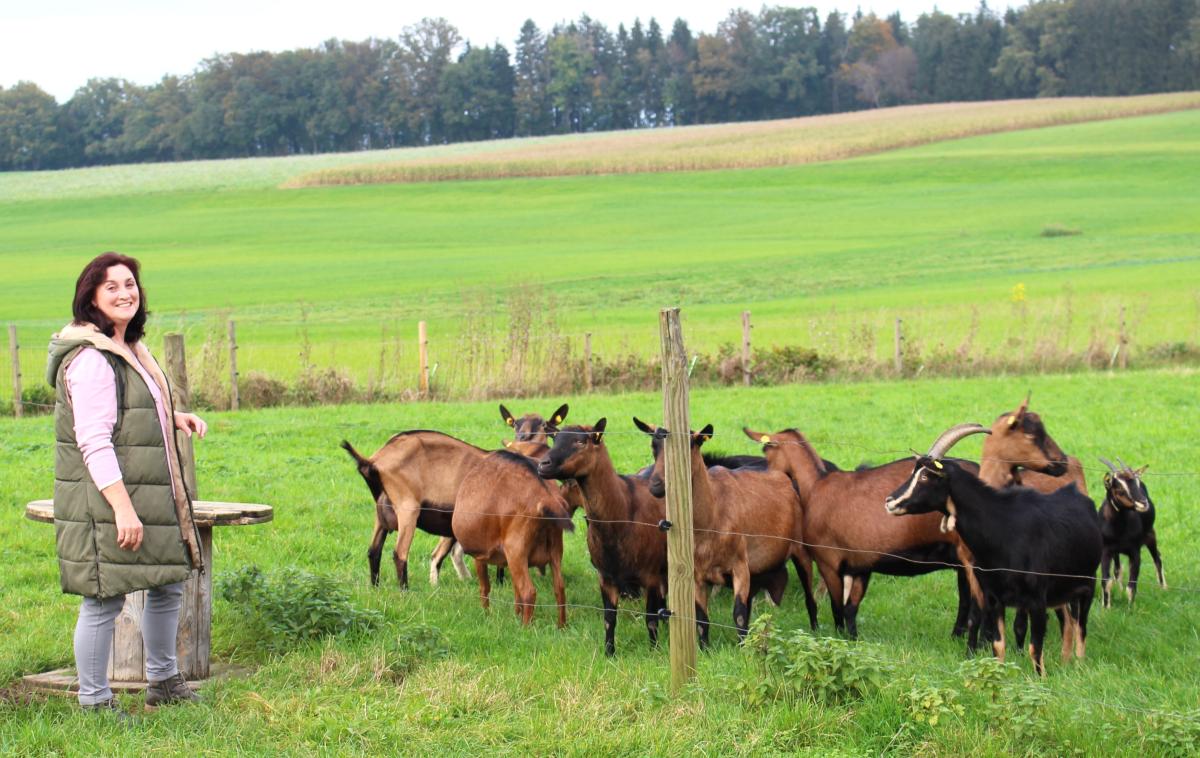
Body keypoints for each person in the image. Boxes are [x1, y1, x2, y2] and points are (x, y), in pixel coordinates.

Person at [47, 252, 207, 713]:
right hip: (110, 498)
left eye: (130, 284)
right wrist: (121, 508)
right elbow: (94, 441)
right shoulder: (93, 359)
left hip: (145, 491)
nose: (125, 293)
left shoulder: (128, 348)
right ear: (91, 297)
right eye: (111, 286)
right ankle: (95, 703)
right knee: (103, 597)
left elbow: (125, 411)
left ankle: (164, 682)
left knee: (166, 584)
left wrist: (171, 418)